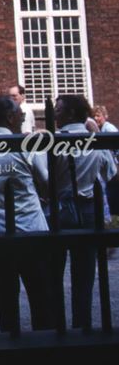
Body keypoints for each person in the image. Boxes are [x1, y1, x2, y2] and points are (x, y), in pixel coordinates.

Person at [0, 95, 53, 333]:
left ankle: (9, 344)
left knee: (6, 299)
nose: (22, 114)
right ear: (9, 117)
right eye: (19, 111)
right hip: (32, 229)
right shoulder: (24, 146)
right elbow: (46, 181)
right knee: (41, 297)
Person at [52, 94, 117, 329]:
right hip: (89, 207)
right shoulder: (94, 141)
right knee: (85, 274)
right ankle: (83, 325)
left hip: (60, 206)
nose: (55, 114)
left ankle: (58, 326)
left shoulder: (54, 141)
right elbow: (110, 172)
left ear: (70, 113)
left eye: (58, 110)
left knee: (54, 273)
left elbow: (43, 178)